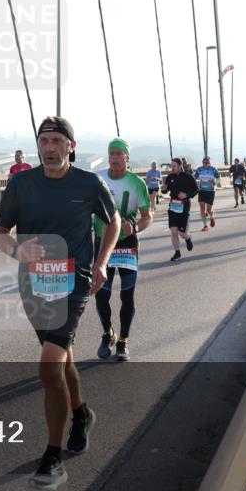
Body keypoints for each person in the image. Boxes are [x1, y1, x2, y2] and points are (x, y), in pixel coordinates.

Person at [0, 116, 119, 491]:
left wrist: (101, 263)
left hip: (74, 283)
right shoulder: (21, 184)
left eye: (56, 141)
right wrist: (17, 250)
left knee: (49, 367)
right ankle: (81, 415)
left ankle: (52, 457)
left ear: (70, 147)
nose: (49, 147)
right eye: (43, 141)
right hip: (34, 284)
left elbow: (112, 223)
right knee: (61, 361)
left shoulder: (88, 183)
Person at [93, 139, 152, 362]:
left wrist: (135, 227)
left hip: (127, 244)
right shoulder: (97, 179)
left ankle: (123, 341)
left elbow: (148, 217)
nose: (114, 157)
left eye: (119, 153)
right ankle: (108, 333)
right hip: (101, 243)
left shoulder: (137, 183)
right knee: (101, 296)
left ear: (127, 158)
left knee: (127, 296)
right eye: (111, 153)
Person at [162, 158, 198, 262]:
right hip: (173, 207)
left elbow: (196, 190)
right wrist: (163, 189)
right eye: (171, 166)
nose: (172, 168)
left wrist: (186, 195)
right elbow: (165, 190)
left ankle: (188, 238)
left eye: (174, 166)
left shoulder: (188, 177)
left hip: (184, 207)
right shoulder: (170, 177)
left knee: (182, 234)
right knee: (174, 232)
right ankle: (177, 252)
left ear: (180, 165)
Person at [195, 156, 221, 231]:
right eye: (204, 163)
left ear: (209, 163)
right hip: (202, 191)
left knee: (209, 210)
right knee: (202, 209)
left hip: (210, 191)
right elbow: (195, 178)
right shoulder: (199, 169)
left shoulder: (213, 169)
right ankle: (205, 225)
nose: (205, 164)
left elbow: (219, 178)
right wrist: (197, 183)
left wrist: (214, 183)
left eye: (207, 163)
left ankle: (212, 217)